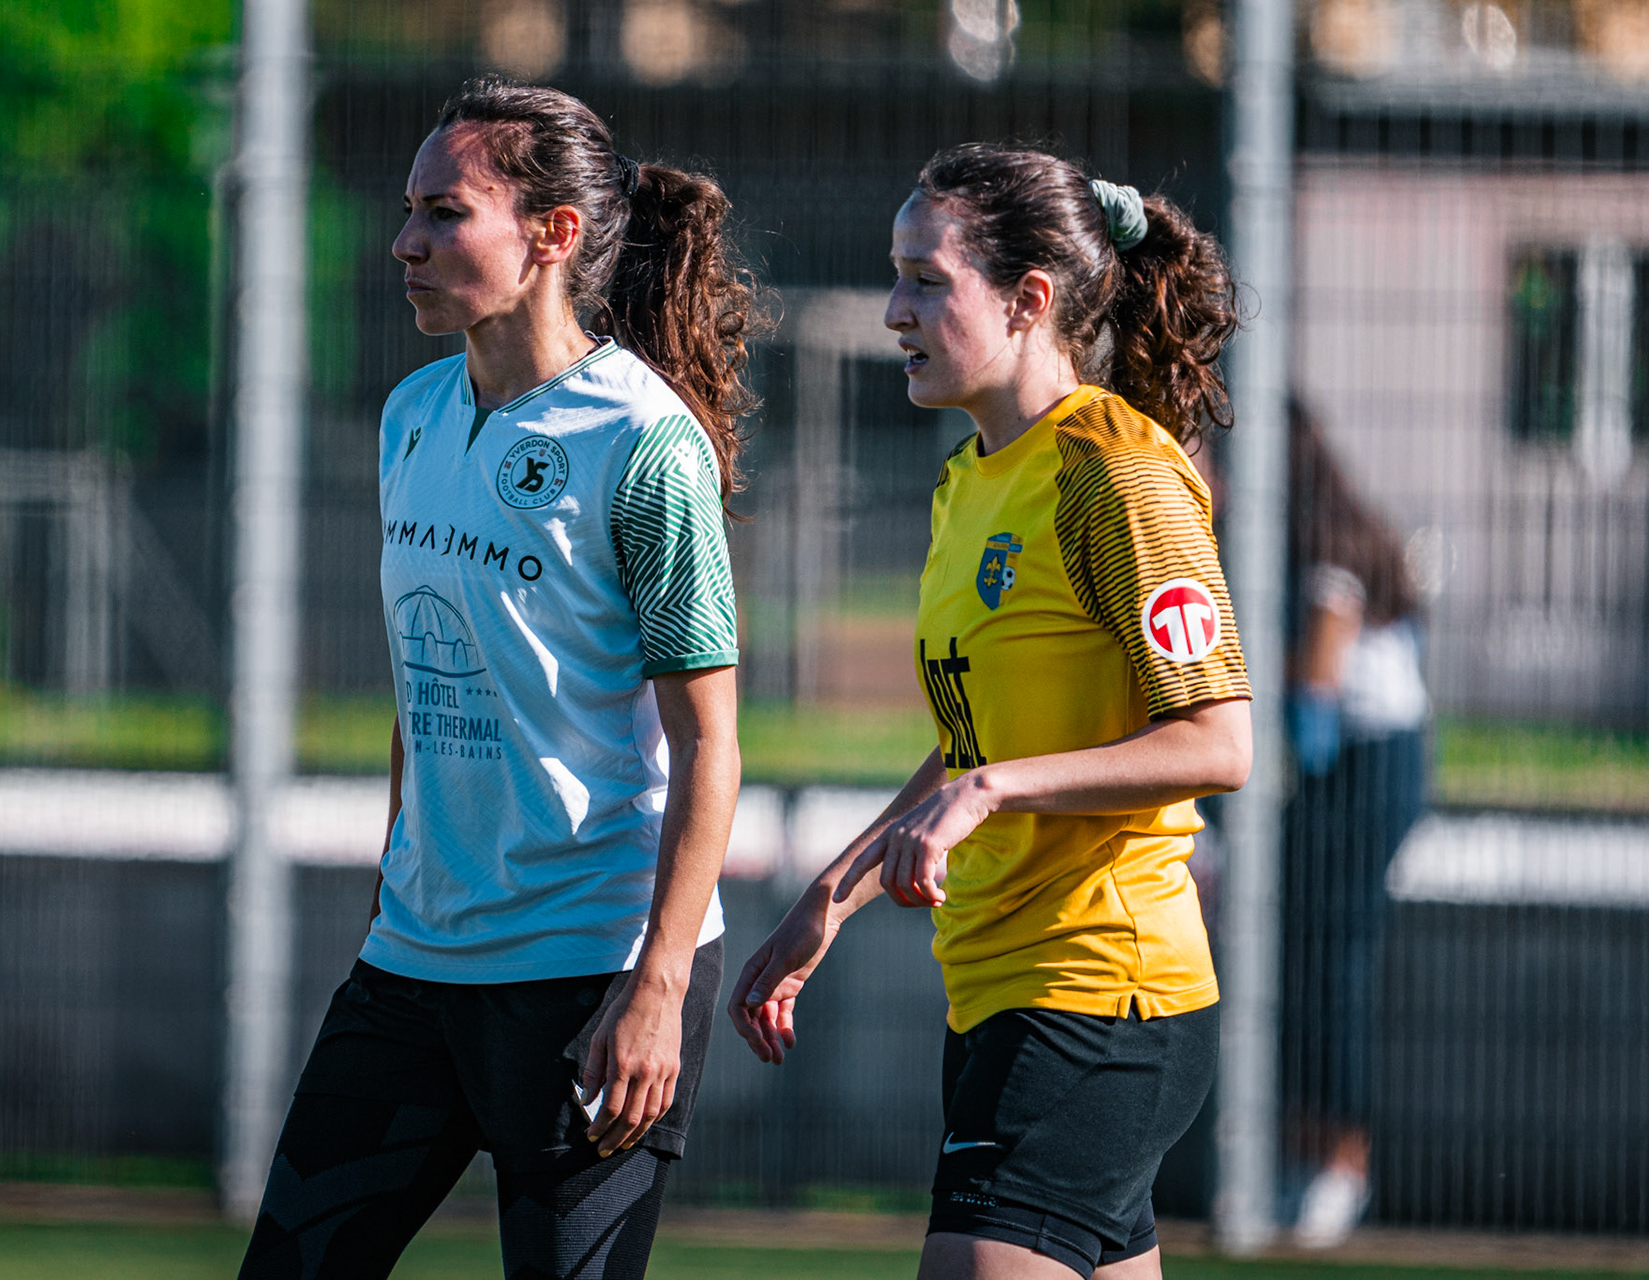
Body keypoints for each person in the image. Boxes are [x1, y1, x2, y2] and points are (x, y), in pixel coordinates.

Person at [237, 77, 761, 1280]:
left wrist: (657, 987)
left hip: (590, 962)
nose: (404, 240)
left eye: (443, 212)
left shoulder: (644, 443)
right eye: (409, 209)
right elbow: (422, 682)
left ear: (551, 236)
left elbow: (711, 744)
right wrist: (392, 880)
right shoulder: (411, 413)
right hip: (415, 957)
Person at [728, 144, 1252, 1280]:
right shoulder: (973, 478)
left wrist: (993, 788)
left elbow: (1219, 740)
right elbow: (978, 744)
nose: (891, 311)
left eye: (926, 280)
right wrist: (831, 895)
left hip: (1100, 989)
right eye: (895, 275)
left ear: (1030, 301)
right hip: (1002, 989)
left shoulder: (1118, 475)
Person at [1282, 402, 1429, 1248]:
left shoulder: (1326, 533)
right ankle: (1307, 1156)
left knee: (1336, 963)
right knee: (1307, 961)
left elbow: (1322, 671)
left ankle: (1342, 1167)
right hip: (1349, 768)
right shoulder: (1324, 525)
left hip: (1369, 766)